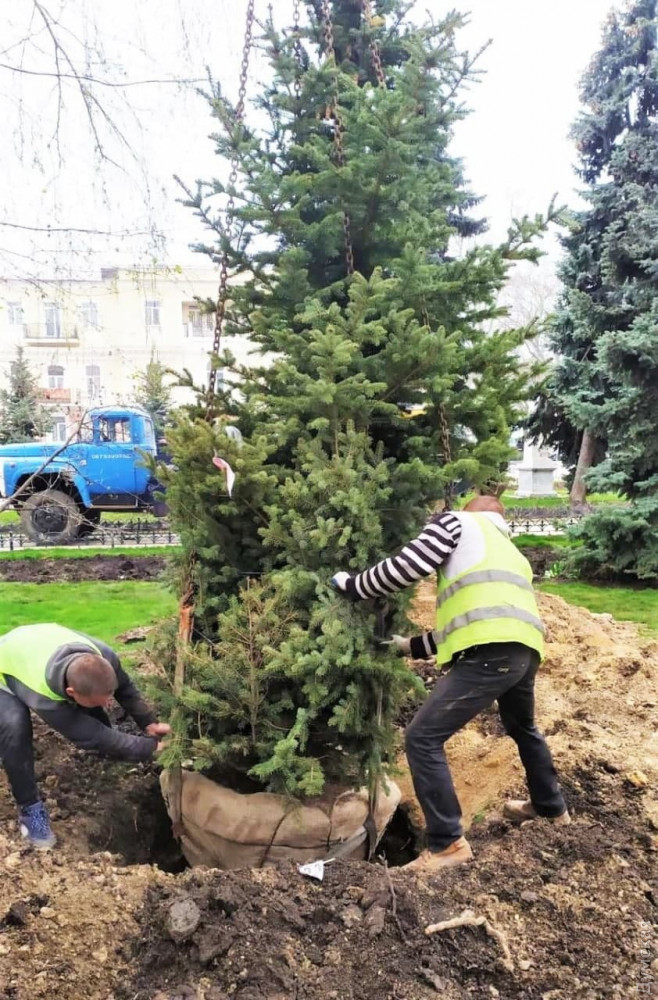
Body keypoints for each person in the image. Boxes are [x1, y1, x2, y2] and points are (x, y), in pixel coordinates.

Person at [331, 495, 570, 874]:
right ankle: (551, 809)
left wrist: (355, 586)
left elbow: (408, 565)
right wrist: (408, 647)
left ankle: (447, 844)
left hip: (491, 652)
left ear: (470, 511)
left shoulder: (458, 523)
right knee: (523, 728)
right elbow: (471, 621)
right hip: (524, 651)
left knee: (422, 737)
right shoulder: (510, 553)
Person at [0, 623, 170, 850]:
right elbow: (91, 735)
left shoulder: (105, 655)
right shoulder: (44, 698)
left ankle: (108, 746)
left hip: (34, 642)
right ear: (70, 692)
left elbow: (125, 688)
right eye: (103, 700)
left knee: (93, 704)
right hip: (5, 664)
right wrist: (150, 748)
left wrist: (149, 722)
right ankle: (31, 812)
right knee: (14, 726)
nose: (109, 704)